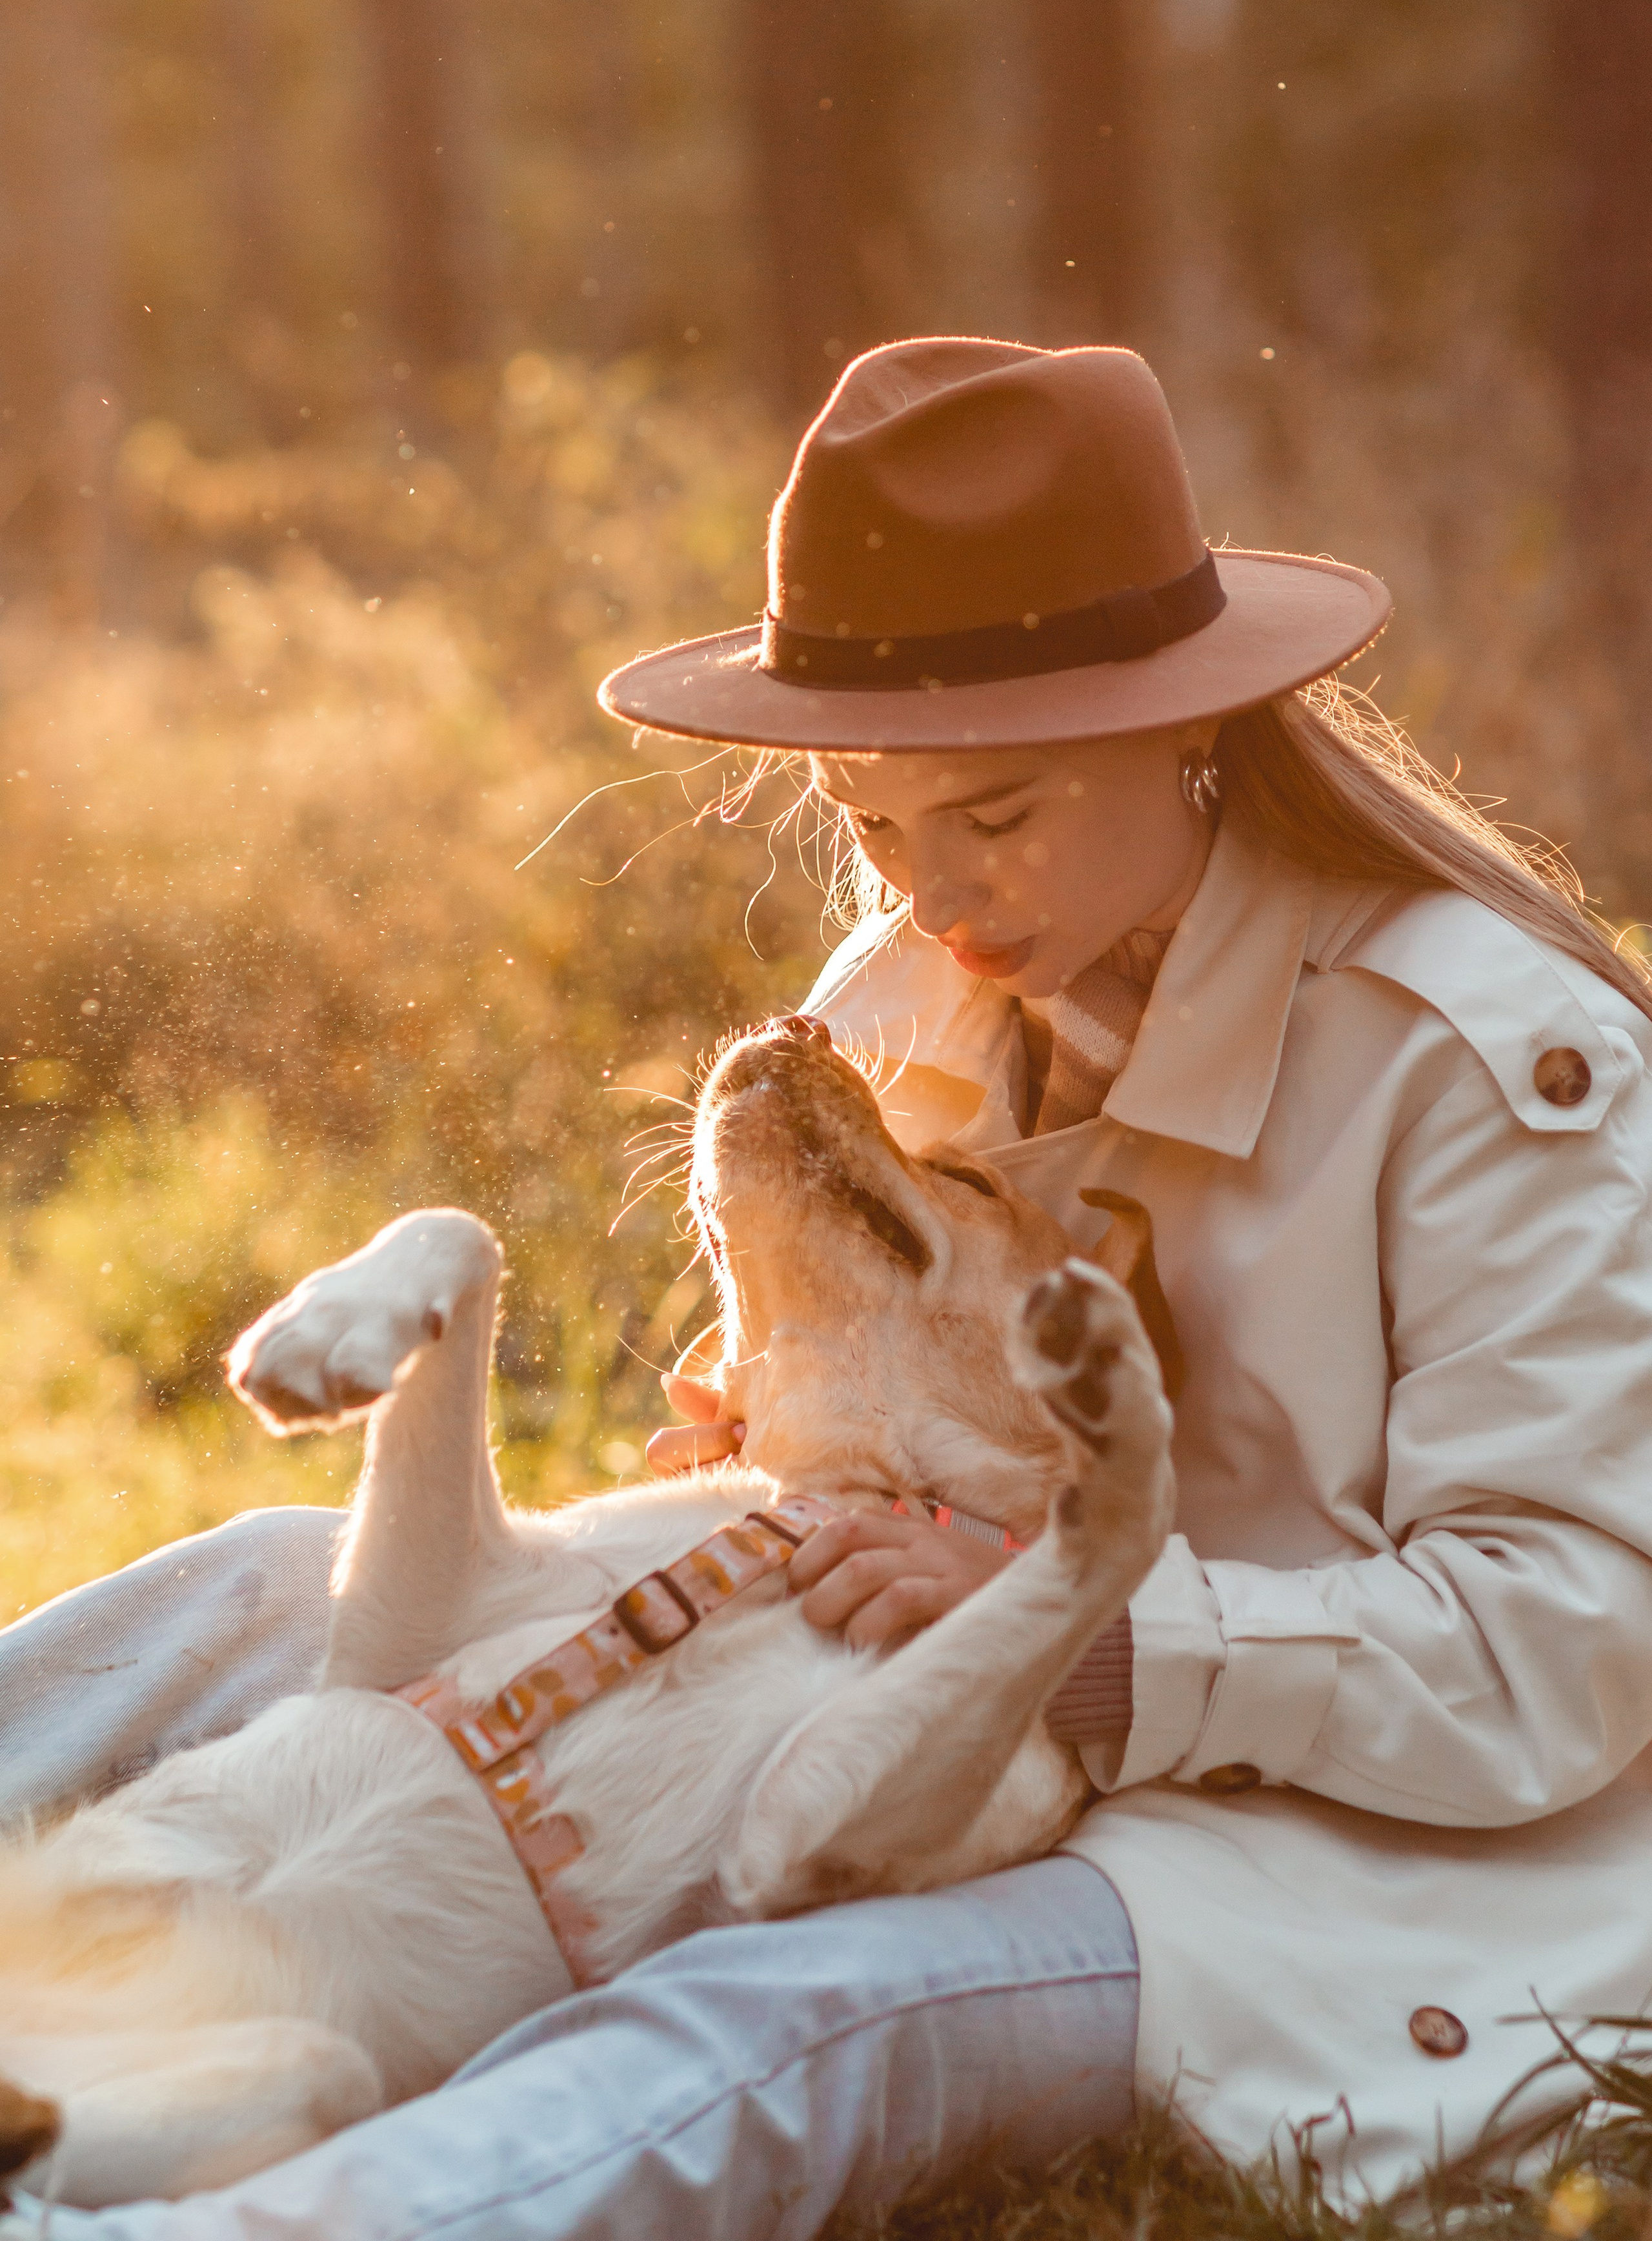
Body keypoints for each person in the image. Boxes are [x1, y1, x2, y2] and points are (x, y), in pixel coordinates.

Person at [7, 336, 1652, 2238]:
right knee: (260, 1585)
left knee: (796, 2010)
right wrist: (755, 1441)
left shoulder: (1477, 1059)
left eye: (999, 813)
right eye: (873, 821)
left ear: (1186, 722)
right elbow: (873, 1341)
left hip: (1302, 1852)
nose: (932, 893)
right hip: (874, 1705)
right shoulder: (935, 973)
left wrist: (1101, 1646)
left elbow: (1571, 1640)